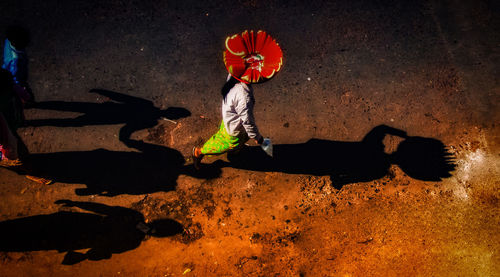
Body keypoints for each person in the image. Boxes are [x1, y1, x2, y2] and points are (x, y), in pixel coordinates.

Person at [192, 74, 264, 169]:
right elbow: (248, 122)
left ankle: (235, 151)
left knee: (240, 138)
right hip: (235, 127)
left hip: (231, 118)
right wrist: (257, 137)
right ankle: (199, 152)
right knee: (224, 144)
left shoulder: (233, 75)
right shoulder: (244, 97)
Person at [2, 25, 33, 104]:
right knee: (28, 98)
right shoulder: (16, 61)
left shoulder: (8, 42)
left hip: (6, 71)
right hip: (15, 81)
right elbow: (16, 80)